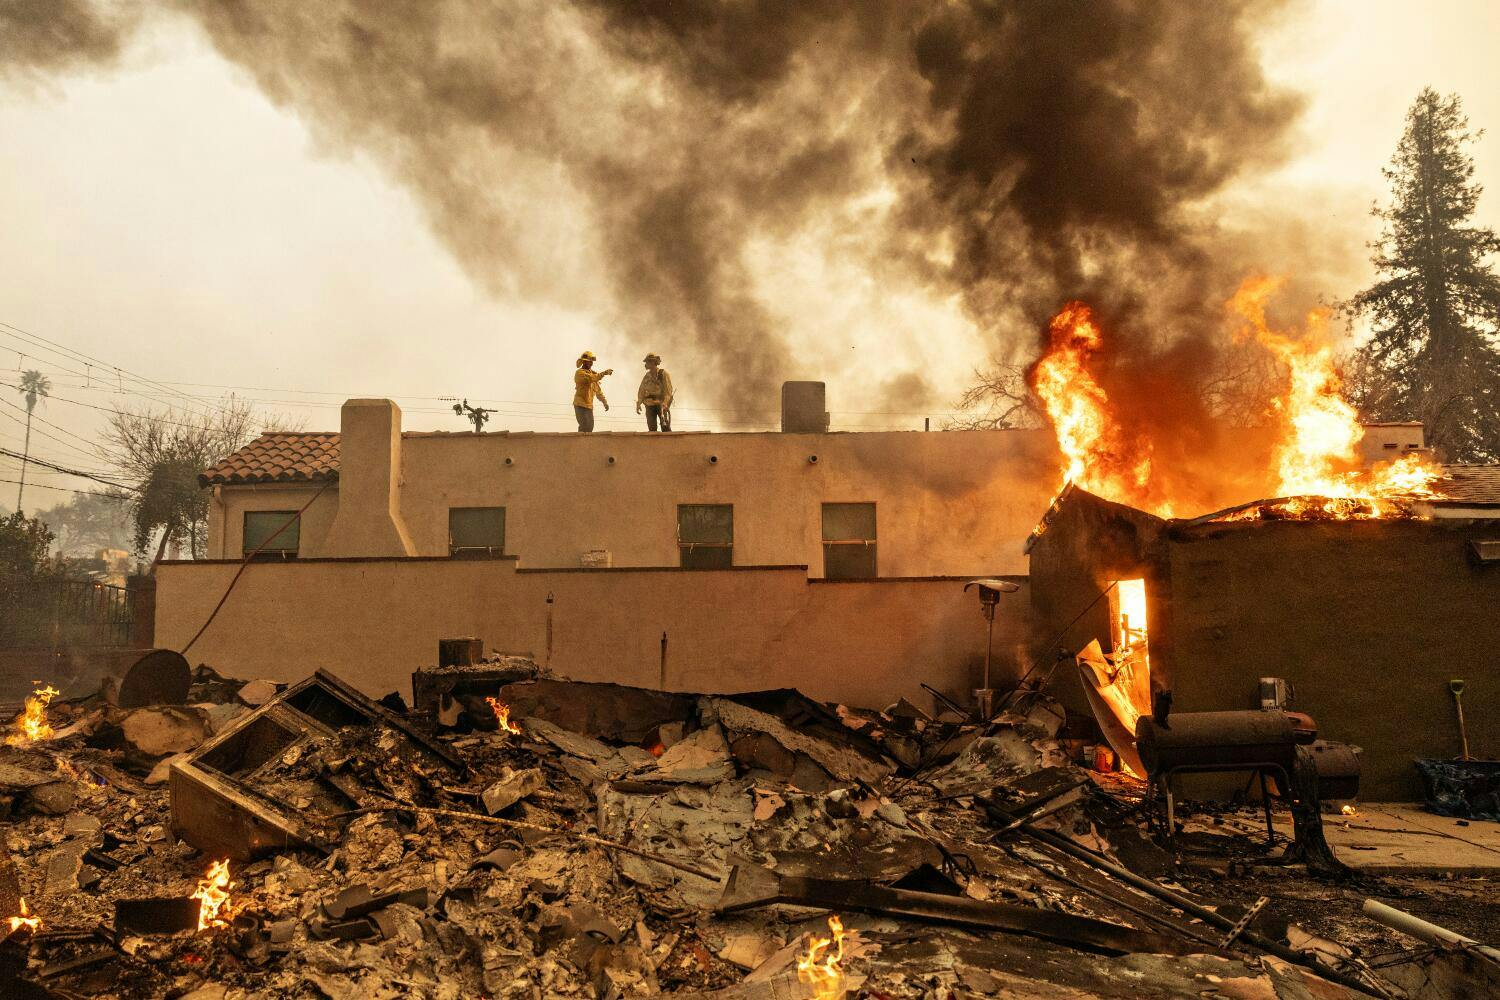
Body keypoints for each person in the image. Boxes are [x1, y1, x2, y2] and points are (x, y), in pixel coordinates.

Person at [573, 351, 611, 432]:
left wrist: (605, 402)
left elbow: (598, 391)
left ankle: (584, 443)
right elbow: (591, 378)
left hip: (588, 406)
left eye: (591, 362)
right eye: (589, 361)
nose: (591, 363)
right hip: (580, 404)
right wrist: (604, 373)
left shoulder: (593, 374)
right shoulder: (580, 373)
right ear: (584, 361)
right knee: (585, 426)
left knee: (590, 427)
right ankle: (580, 443)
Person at [636, 353, 674, 432]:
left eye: (648, 362)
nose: (646, 364)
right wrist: (639, 402)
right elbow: (641, 390)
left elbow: (668, 391)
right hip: (649, 405)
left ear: (653, 362)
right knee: (652, 429)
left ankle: (669, 443)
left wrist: (665, 403)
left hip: (661, 404)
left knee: (665, 427)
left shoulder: (663, 374)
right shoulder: (647, 376)